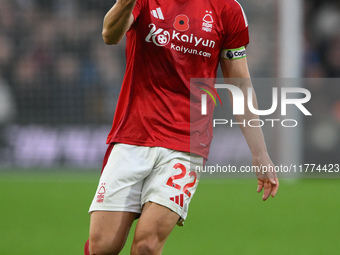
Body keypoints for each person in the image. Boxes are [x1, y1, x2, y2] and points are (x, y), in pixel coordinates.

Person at [85, 0, 279, 254]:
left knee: (147, 246)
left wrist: (260, 152)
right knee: (103, 246)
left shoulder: (228, 9)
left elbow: (240, 83)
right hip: (133, 134)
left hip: (186, 144)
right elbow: (110, 36)